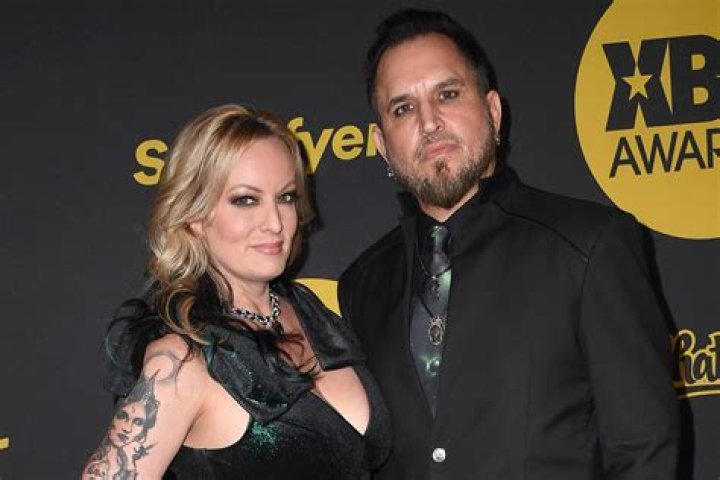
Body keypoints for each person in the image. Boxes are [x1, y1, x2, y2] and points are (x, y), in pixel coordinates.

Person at [338, 9, 679, 480]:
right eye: (403, 108)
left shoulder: (589, 245)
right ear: (381, 144)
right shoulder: (362, 285)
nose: (429, 122)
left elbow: (645, 451)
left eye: (448, 94)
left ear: (493, 112)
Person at [83, 104, 390, 479]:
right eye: (246, 200)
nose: (275, 222)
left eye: (286, 197)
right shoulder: (183, 358)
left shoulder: (310, 313)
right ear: (195, 217)